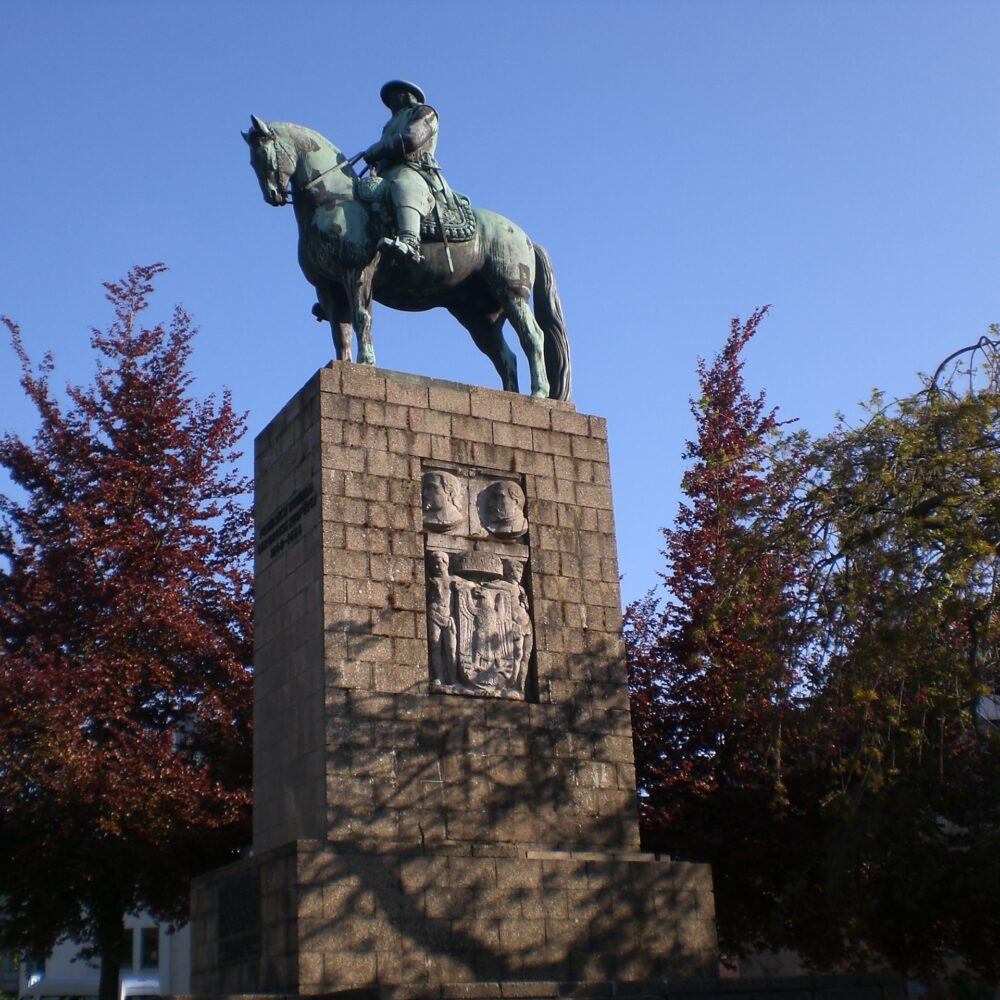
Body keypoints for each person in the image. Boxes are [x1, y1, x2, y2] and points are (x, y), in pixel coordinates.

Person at [363, 80, 451, 263]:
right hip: (386, 172)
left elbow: (411, 139)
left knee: (404, 186)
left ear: (409, 95)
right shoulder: (389, 125)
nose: (393, 98)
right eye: (390, 96)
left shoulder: (425, 112)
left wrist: (378, 149)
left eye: (397, 93)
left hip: (415, 169)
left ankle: (410, 240)